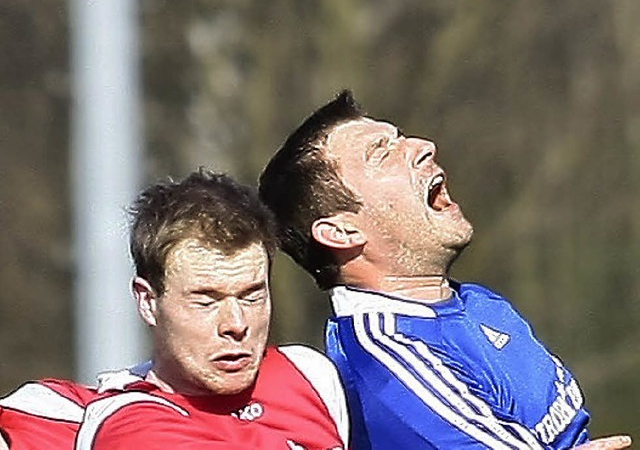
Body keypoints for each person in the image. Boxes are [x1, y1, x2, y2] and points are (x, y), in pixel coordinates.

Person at [258, 90, 632, 450]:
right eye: (382, 153)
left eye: (400, 137)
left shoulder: (477, 302)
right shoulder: (388, 358)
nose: (423, 146)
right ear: (341, 232)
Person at [0, 168, 349, 450]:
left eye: (251, 295)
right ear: (148, 302)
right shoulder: (126, 421)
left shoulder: (309, 375)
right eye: (206, 300)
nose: (236, 324)